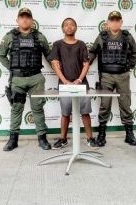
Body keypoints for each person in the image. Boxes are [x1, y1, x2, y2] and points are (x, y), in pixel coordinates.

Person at [0, 8, 52, 151]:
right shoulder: (10, 36)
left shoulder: (39, 36)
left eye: (28, 17)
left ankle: (42, 139)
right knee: (16, 108)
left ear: (32, 20)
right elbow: (1, 55)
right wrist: (12, 67)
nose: (25, 19)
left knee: (38, 109)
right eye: (22, 17)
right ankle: (13, 140)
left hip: (36, 79)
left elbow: (49, 55)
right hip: (18, 79)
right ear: (17, 20)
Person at [89, 11, 136, 147]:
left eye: (117, 20)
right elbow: (93, 51)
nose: (115, 22)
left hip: (123, 75)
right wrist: (86, 64)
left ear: (121, 22)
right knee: (105, 104)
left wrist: (129, 66)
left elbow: (135, 52)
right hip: (106, 76)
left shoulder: (127, 37)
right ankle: (101, 134)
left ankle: (129, 134)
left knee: (125, 104)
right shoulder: (102, 36)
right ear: (108, 22)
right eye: (112, 20)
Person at [49, 18, 99, 149]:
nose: (69, 27)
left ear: (76, 28)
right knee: (65, 113)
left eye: (72, 24)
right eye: (66, 25)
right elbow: (55, 64)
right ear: (62, 28)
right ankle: (63, 139)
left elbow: (86, 64)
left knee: (85, 112)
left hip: (81, 85)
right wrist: (65, 81)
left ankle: (90, 138)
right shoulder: (57, 44)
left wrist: (79, 80)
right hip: (64, 85)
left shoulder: (81, 44)